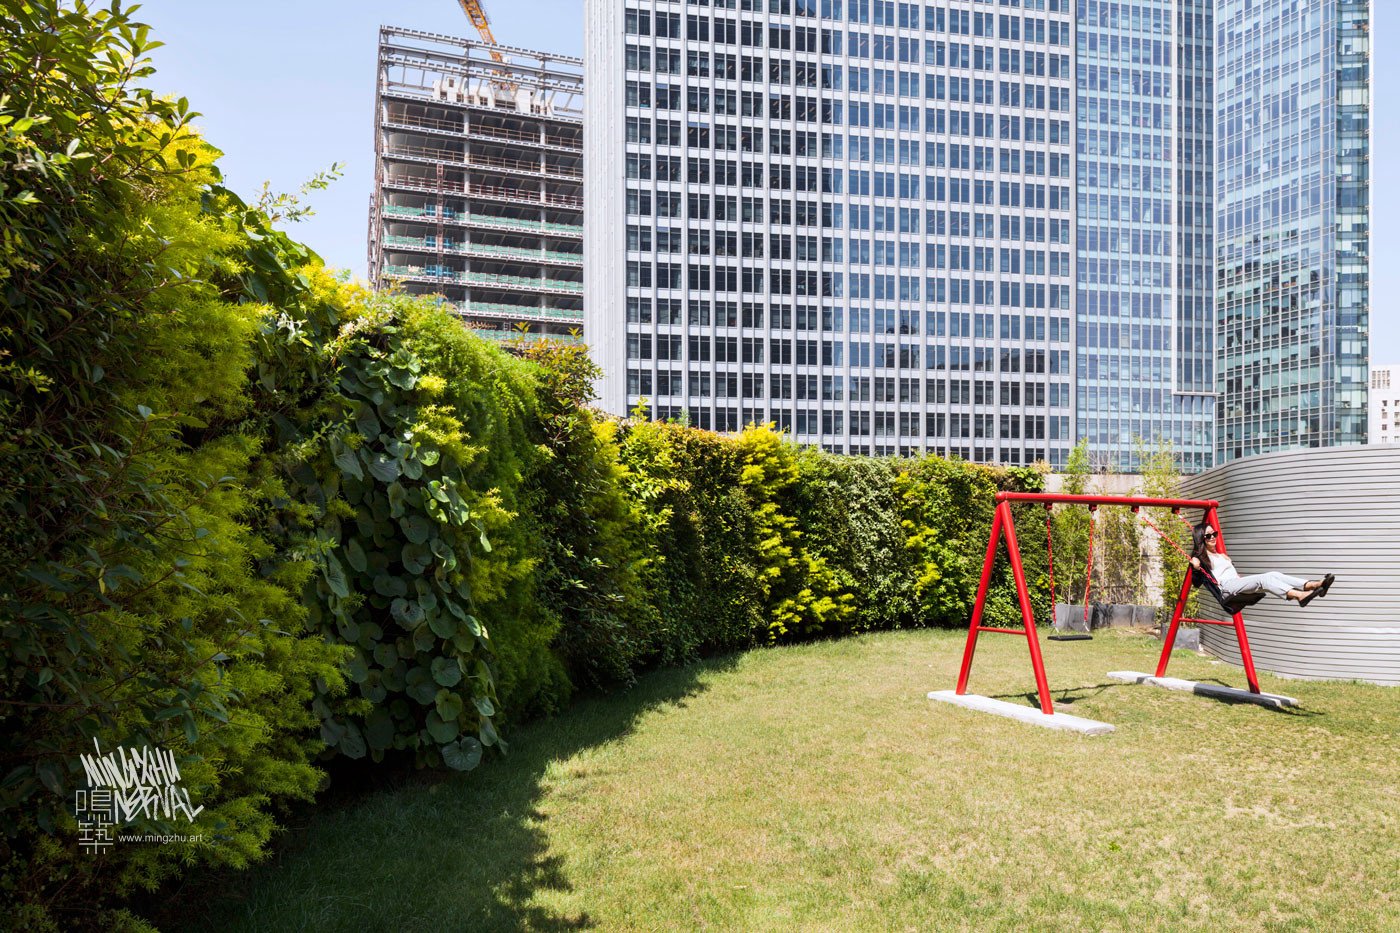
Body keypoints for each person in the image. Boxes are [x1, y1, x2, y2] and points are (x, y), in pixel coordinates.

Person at [1190, 524, 1335, 607]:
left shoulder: (1222, 556)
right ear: (1201, 539)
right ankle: (1300, 596)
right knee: (1264, 579)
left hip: (1237, 584)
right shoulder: (1201, 558)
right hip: (1226, 588)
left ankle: (1313, 585)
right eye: (1208, 535)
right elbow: (1197, 583)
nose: (1213, 537)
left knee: (1273, 574)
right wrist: (1195, 569)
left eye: (1214, 533)